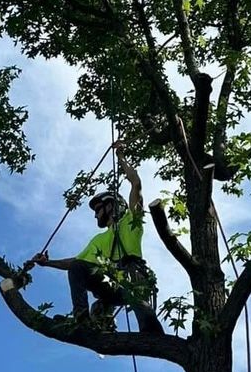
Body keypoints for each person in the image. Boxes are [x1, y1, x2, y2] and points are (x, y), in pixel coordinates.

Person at [32, 142, 163, 335]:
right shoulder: (98, 239)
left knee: (137, 297)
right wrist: (48, 263)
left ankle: (151, 332)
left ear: (111, 206)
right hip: (109, 284)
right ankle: (83, 319)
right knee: (79, 268)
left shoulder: (130, 221)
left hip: (131, 277)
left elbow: (136, 183)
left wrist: (121, 158)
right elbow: (77, 264)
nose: (95, 215)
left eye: (98, 209)